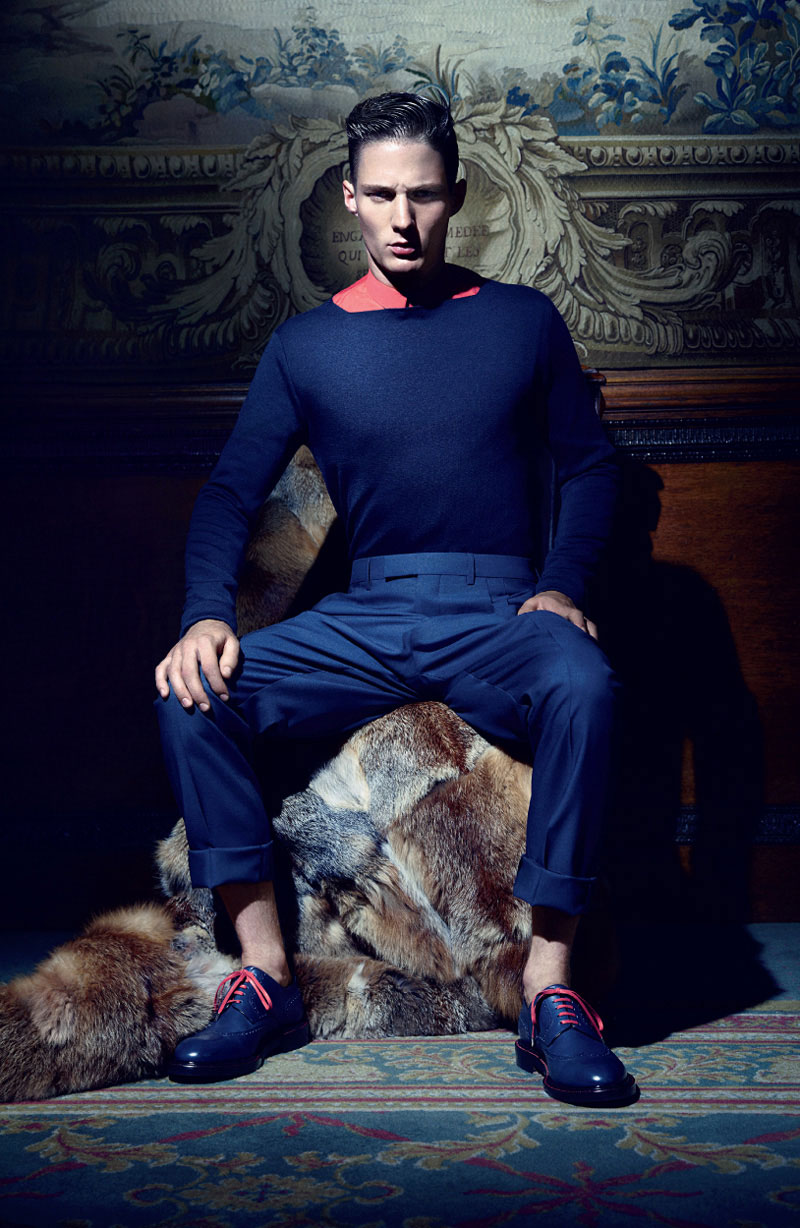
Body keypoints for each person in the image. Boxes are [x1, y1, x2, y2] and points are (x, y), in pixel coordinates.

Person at [155, 92, 637, 1106]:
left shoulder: (520, 321)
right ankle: (264, 977)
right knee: (193, 695)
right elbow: (230, 493)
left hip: (499, 609)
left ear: (455, 194)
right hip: (365, 616)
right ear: (350, 197)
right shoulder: (304, 346)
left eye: (421, 194)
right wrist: (204, 615)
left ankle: (551, 992)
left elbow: (592, 468)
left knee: (584, 684)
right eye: (380, 195)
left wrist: (559, 587)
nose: (403, 218)